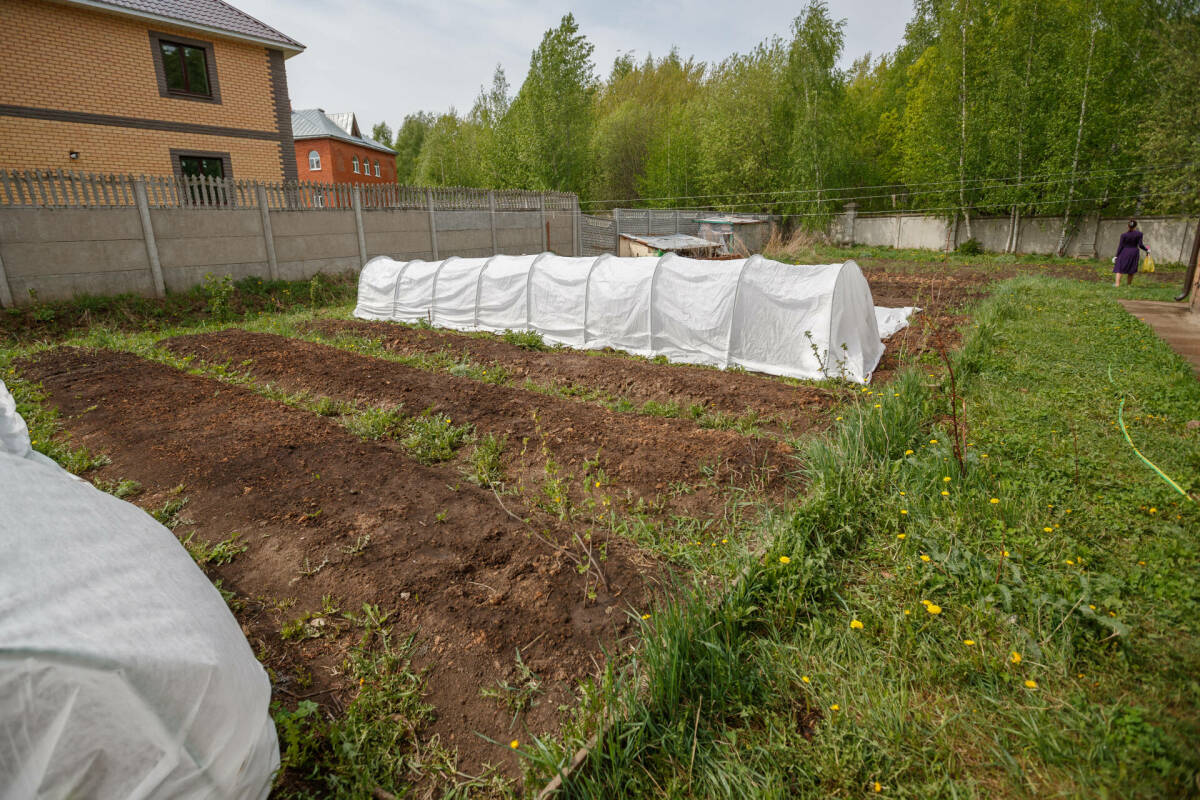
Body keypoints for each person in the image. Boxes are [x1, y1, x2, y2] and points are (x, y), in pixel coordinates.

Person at [1113, 219, 1149, 287]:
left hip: (1124, 252)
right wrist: (1147, 249)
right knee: (1131, 269)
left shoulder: (1124, 235)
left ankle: (1117, 284)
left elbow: (1120, 246)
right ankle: (1129, 285)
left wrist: (1116, 256)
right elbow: (1140, 245)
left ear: (1128, 226)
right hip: (1134, 252)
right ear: (1135, 226)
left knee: (1119, 268)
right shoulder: (1139, 234)